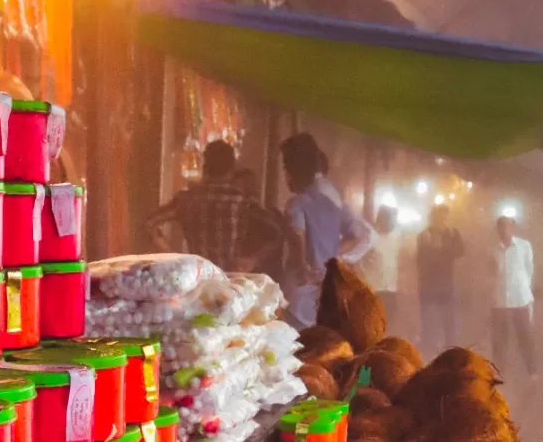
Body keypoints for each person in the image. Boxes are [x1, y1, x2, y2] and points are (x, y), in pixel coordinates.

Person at [146, 139, 280, 273]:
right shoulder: (244, 201)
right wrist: (253, 260)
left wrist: (174, 256)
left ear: (205, 166)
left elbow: (150, 223)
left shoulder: (186, 199)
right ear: (232, 168)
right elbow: (276, 233)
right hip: (232, 281)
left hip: (197, 277)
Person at [280, 132, 371, 325]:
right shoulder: (332, 203)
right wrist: (327, 256)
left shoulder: (296, 203)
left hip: (297, 299)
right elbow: (357, 236)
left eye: (285, 168)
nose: (285, 176)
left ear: (294, 170)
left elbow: (298, 238)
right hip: (324, 297)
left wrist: (305, 265)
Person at [416, 203, 465, 353]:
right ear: (432, 218)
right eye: (438, 217)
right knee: (429, 325)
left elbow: (461, 251)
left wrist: (443, 248)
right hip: (428, 287)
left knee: (449, 324)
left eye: (445, 218)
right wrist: (429, 247)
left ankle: (450, 354)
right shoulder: (424, 235)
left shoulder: (453, 233)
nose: (442, 221)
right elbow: (419, 260)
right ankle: (428, 355)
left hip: (446, 286)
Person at [491, 215, 536, 376]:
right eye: (501, 227)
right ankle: (498, 372)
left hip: (520, 299)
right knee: (499, 340)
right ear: (497, 230)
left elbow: (529, 269)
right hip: (500, 301)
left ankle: (532, 372)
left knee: (525, 337)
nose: (504, 230)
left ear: (513, 228)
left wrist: (525, 289)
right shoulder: (494, 250)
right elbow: (492, 274)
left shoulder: (524, 246)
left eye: (507, 227)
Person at [358, 203, 402, 324]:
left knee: (387, 322)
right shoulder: (369, 237)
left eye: (395, 220)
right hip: (373, 288)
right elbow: (356, 260)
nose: (394, 223)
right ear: (381, 219)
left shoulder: (396, 237)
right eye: (392, 219)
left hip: (390, 289)